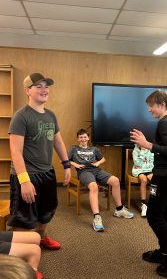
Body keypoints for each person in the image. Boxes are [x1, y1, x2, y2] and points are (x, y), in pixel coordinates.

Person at [8, 73, 71, 250]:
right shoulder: (21, 116)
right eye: (39, 86)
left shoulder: (50, 115)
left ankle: (42, 237)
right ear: (28, 91)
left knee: (46, 211)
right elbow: (15, 151)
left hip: (46, 172)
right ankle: (22, 259)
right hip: (27, 174)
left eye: (46, 86)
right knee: (24, 217)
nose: (44, 89)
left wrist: (66, 165)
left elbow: (58, 141)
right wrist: (24, 180)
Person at [130, 90, 167, 277]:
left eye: (151, 105)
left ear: (161, 104)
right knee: (163, 212)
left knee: (154, 215)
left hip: (165, 174)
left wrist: (147, 144)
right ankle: (165, 250)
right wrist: (148, 142)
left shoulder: (164, 123)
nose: (149, 110)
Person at [68, 128, 134, 232]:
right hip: (84, 171)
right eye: (81, 137)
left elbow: (103, 159)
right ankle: (97, 217)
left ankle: (119, 209)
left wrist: (98, 163)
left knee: (116, 181)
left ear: (88, 138)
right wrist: (75, 164)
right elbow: (64, 160)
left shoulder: (94, 149)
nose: (83, 139)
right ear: (78, 139)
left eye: (85, 137)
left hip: (96, 169)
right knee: (94, 187)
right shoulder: (73, 148)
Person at [132, 144, 154, 217]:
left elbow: (152, 162)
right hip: (138, 170)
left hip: (148, 169)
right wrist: (141, 152)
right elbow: (137, 163)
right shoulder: (135, 151)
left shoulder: (150, 150)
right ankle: (144, 204)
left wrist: (145, 166)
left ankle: (154, 201)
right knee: (144, 180)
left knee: (155, 180)